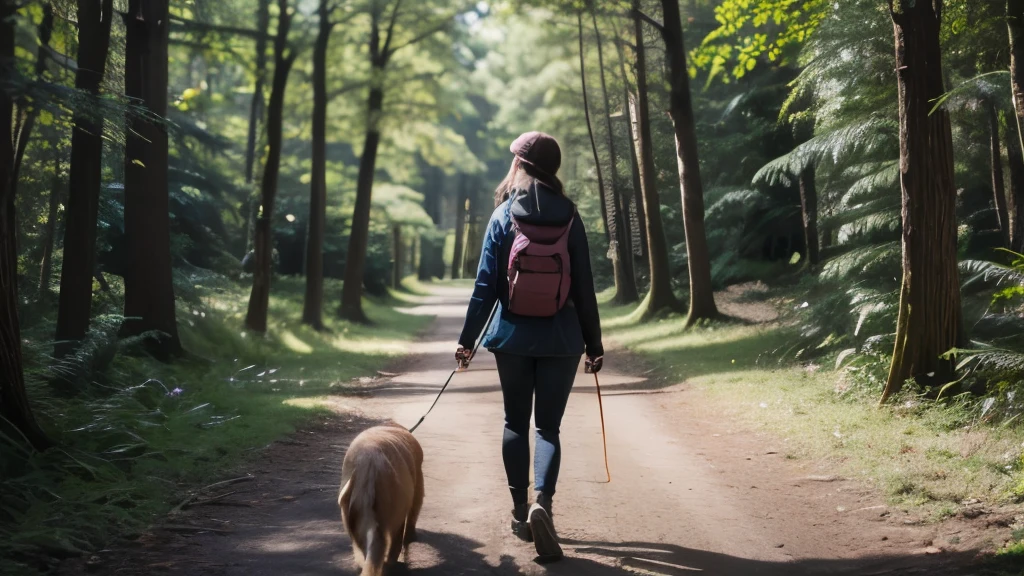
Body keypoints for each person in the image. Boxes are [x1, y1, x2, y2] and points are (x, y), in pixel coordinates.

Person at [455, 131, 604, 561]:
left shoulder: (504, 215)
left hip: (512, 337)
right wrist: (593, 345)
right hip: (561, 339)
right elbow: (585, 289)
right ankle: (545, 504)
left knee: (516, 423)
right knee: (549, 428)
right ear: (553, 169)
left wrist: (467, 342)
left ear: (520, 165)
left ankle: (520, 511)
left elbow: (485, 288)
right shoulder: (571, 217)